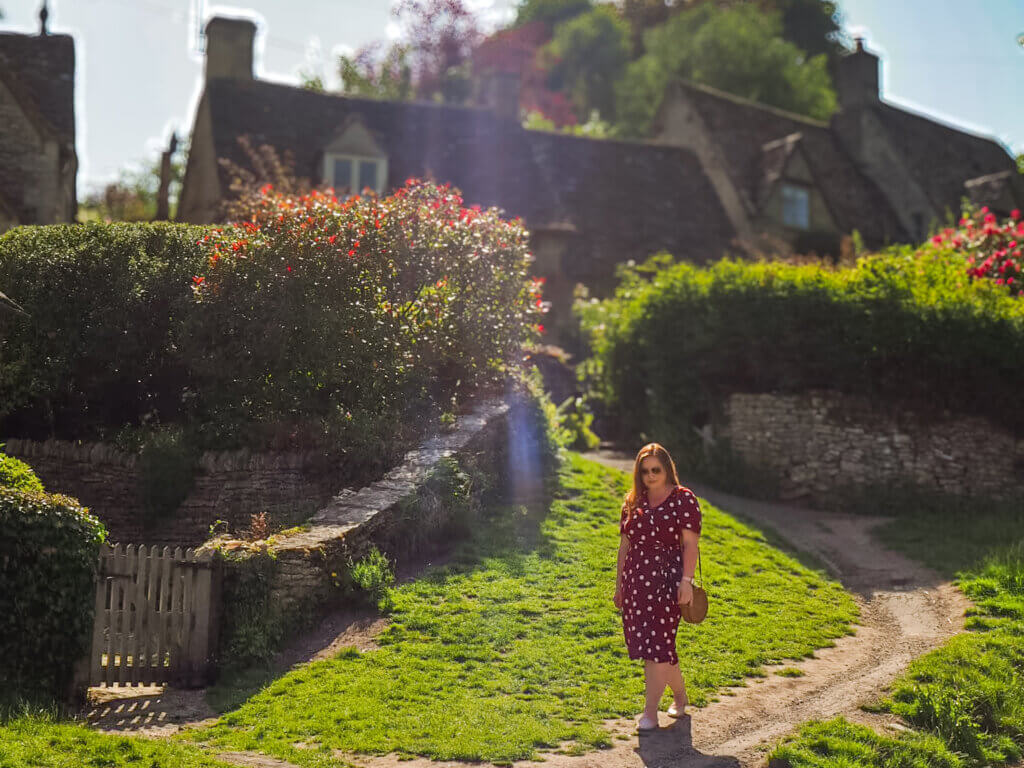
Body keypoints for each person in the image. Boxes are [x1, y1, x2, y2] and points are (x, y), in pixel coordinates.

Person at [613, 442, 702, 732]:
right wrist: (619, 586)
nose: (650, 476)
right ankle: (680, 696)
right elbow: (625, 546)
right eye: (645, 471)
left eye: (656, 470)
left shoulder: (683, 499)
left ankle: (649, 712)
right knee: (657, 646)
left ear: (667, 469)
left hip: (669, 581)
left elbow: (690, 544)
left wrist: (686, 582)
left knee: (657, 646)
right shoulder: (632, 502)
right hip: (637, 582)